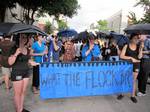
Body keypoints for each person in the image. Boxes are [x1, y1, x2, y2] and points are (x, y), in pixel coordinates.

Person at [8, 35, 39, 112]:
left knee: (23, 92)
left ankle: (21, 109)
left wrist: (32, 62)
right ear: (18, 38)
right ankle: (18, 110)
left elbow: (27, 60)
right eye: (22, 37)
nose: (24, 39)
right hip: (17, 73)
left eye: (25, 37)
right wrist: (16, 54)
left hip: (26, 72)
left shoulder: (27, 49)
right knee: (17, 93)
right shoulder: (13, 48)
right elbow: (10, 62)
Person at [119, 33, 143, 103]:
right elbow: (121, 56)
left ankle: (133, 96)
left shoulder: (139, 46)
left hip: (136, 65)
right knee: (124, 79)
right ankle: (122, 94)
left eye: (137, 38)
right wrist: (131, 58)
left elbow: (140, 57)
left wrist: (141, 48)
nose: (136, 40)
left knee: (133, 80)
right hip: (127, 65)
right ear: (131, 39)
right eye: (135, 38)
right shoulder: (126, 46)